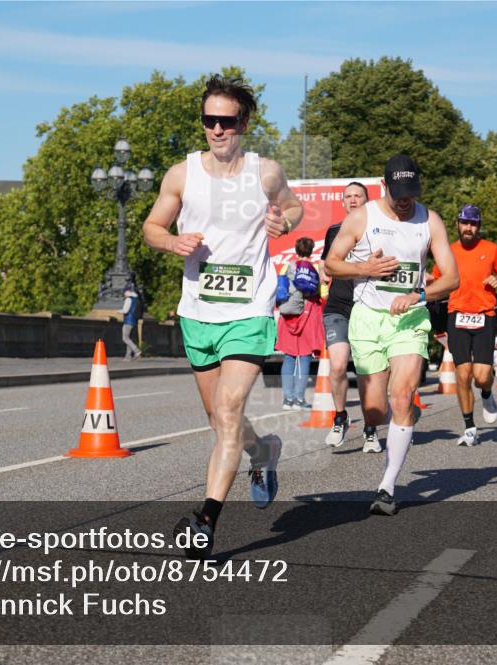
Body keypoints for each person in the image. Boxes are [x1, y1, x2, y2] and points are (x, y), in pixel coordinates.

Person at [142, 74, 304, 558]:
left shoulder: (265, 172)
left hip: (250, 310)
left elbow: (292, 208)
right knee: (220, 419)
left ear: (244, 123)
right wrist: (171, 241)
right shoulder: (181, 174)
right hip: (198, 312)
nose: (216, 130)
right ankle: (263, 451)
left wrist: (284, 220)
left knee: (230, 410)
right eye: (209, 120)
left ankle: (205, 521)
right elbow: (151, 225)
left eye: (226, 121)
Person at [325, 153, 458, 516]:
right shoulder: (362, 218)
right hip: (367, 318)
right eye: (398, 193)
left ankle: (387, 486)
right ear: (384, 186)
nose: (404, 200)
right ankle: (379, 419)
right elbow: (331, 263)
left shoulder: (429, 220)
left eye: (411, 193)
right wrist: (364, 267)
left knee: (402, 395)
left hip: (409, 319)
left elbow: (451, 278)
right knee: (374, 410)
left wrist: (418, 295)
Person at [429, 204, 497, 447]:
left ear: (478, 226)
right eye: (464, 222)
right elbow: (436, 277)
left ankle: (486, 393)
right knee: (462, 374)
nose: (468, 227)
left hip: (485, 315)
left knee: (482, 376)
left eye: (473, 223)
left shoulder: (491, 249)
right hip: (457, 316)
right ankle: (469, 427)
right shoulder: (448, 251)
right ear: (457, 224)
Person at [318, 181, 372, 447]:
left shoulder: (378, 230)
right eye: (348, 196)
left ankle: (370, 426)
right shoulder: (334, 231)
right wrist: (324, 273)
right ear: (342, 202)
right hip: (338, 306)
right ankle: (340, 417)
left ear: (367, 200)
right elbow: (325, 263)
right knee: (338, 365)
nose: (352, 200)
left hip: (368, 307)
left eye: (357, 196)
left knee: (366, 371)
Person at [277, 236, 325, 410]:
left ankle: (287, 400)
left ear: (296, 250)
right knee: (304, 358)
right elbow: (322, 292)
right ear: (311, 250)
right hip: (308, 314)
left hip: (288, 314)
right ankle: (299, 399)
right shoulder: (314, 269)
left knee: (288, 357)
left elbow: (280, 288)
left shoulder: (286, 266)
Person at [121, 284, 143, 360]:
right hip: (134, 321)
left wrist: (118, 311)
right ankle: (128, 356)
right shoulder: (136, 299)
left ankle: (137, 350)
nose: (124, 294)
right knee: (129, 338)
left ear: (127, 292)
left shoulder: (128, 299)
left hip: (128, 320)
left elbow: (125, 310)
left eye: (124, 292)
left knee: (125, 338)